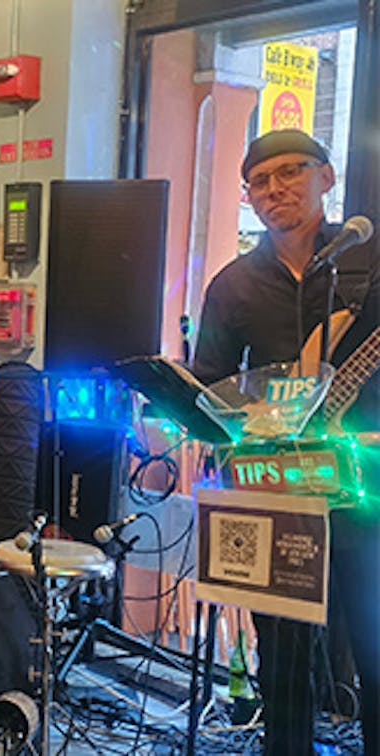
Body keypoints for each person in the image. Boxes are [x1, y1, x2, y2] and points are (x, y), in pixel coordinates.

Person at [194, 129, 379, 755]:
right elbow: (212, 385)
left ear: (326, 177)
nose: (276, 189)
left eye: (291, 172)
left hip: (366, 487)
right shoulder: (232, 286)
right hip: (276, 492)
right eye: (260, 181)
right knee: (283, 650)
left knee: (376, 641)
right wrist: (247, 421)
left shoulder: (368, 268)